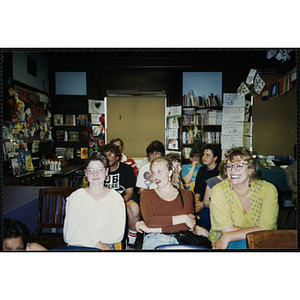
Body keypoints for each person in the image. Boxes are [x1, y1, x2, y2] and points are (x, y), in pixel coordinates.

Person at [209, 147, 279, 249]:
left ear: (251, 169)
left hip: (232, 237)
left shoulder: (268, 190)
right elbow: (226, 229)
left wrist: (228, 236)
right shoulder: (219, 190)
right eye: (229, 166)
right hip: (222, 239)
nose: (232, 170)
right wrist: (227, 235)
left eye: (238, 166)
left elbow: (267, 228)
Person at [137, 156, 208, 250]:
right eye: (153, 173)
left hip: (182, 238)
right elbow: (150, 221)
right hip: (155, 239)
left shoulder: (186, 194)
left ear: (170, 172)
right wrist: (184, 218)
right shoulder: (147, 194)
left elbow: (187, 226)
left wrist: (151, 229)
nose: (155, 176)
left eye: (159, 171)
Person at [63, 152, 126, 250]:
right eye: (91, 170)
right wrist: (95, 243)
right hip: (79, 245)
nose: (95, 174)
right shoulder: (76, 197)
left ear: (106, 172)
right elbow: (69, 236)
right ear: (86, 173)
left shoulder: (116, 198)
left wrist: (84, 235)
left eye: (100, 170)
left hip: (106, 245)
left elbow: (116, 235)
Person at [102, 143, 139, 249]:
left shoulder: (127, 169)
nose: (107, 158)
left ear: (117, 157)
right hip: (103, 202)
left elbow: (129, 193)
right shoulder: (100, 170)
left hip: (123, 200)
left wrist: (119, 202)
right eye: (105, 155)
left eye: (110, 154)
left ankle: (131, 241)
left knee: (134, 208)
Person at [194, 144, 220, 230]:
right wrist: (197, 202)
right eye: (203, 155)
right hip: (200, 203)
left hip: (212, 204)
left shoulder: (219, 172)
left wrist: (203, 204)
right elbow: (197, 190)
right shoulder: (202, 170)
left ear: (215, 158)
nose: (204, 157)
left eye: (208, 155)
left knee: (205, 218)